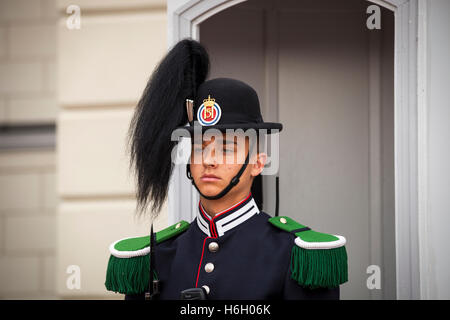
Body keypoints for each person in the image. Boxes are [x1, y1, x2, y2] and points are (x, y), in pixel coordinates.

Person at [104, 39, 348, 300]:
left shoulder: (297, 255)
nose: (209, 160)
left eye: (227, 148)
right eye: (200, 147)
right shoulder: (157, 255)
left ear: (258, 163)